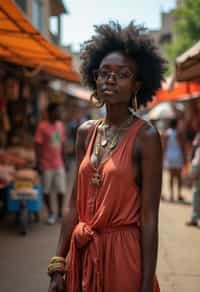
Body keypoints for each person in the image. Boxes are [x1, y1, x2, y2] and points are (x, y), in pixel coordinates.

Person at [48, 21, 165, 292]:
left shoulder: (146, 137)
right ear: (95, 79)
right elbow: (73, 206)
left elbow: (149, 218)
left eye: (122, 74)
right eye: (104, 73)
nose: (110, 79)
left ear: (137, 85)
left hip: (124, 258)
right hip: (83, 254)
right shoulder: (85, 133)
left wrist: (146, 283)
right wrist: (58, 262)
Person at [35, 103, 66, 224]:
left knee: (61, 190)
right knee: (46, 191)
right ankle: (50, 214)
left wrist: (65, 159)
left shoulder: (60, 125)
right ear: (51, 113)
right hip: (46, 164)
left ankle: (59, 214)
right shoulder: (42, 126)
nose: (59, 114)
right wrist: (38, 163)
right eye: (57, 111)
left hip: (59, 164)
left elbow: (61, 143)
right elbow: (37, 144)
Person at [163, 118, 185, 202]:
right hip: (177, 154)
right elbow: (181, 145)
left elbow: (164, 146)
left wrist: (164, 156)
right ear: (176, 124)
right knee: (179, 176)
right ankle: (178, 194)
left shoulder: (166, 133)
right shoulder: (178, 133)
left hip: (169, 155)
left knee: (171, 176)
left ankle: (171, 195)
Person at [186, 131, 200, 226]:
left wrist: (189, 160)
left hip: (198, 165)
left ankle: (194, 218)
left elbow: (194, 147)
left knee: (196, 191)